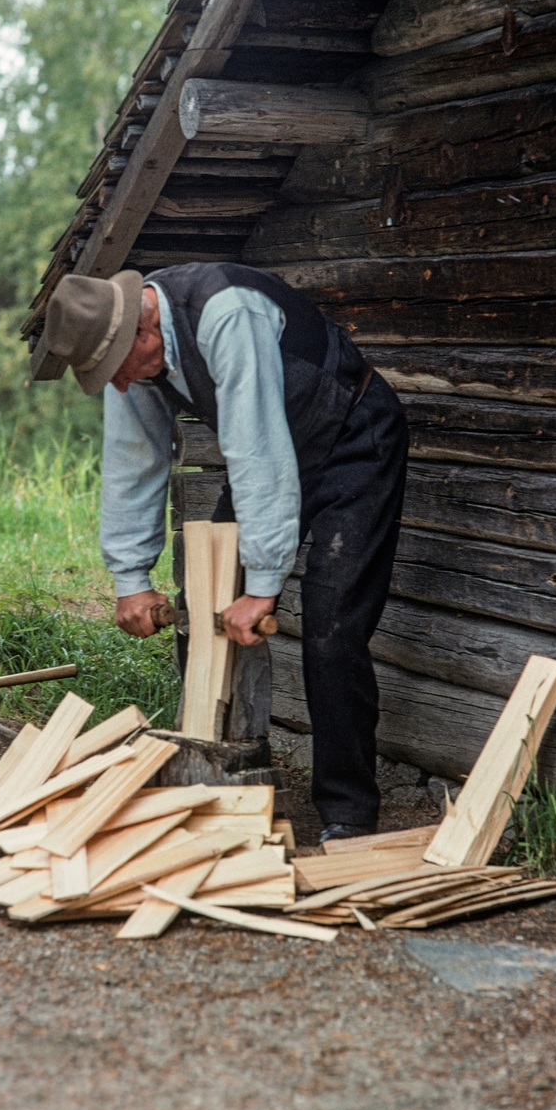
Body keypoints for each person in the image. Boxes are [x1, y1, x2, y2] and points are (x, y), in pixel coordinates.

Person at [45, 262, 408, 842]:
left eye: (115, 370)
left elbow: (255, 445)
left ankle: (348, 811)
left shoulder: (226, 312)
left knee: (331, 623)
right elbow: (132, 462)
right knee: (205, 601)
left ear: (145, 331)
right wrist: (130, 575)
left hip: (353, 436)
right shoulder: (128, 351)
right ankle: (228, 775)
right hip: (277, 448)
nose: (116, 384)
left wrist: (263, 585)